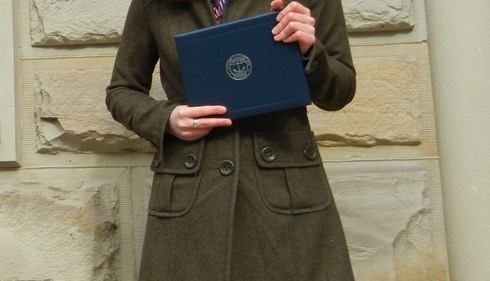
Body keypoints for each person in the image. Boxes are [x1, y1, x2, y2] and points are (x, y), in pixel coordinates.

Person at [106, 0, 356, 279]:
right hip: (191, 196)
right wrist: (167, 119)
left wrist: (310, 51)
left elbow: (340, 91)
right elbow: (122, 90)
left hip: (287, 196)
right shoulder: (154, 4)